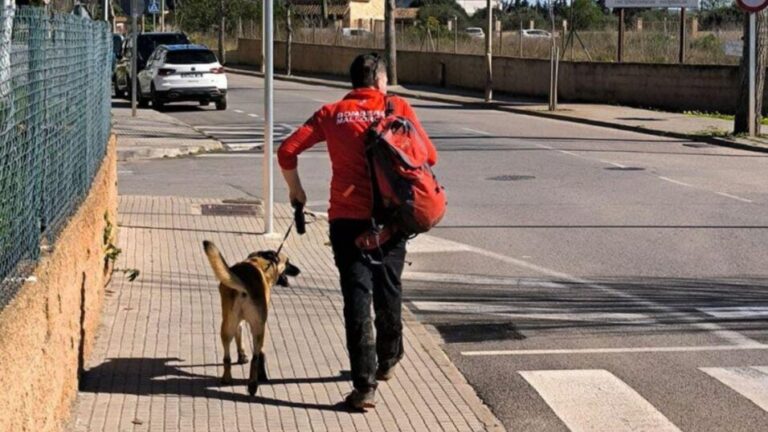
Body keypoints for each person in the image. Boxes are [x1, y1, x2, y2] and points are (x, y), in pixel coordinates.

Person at [277, 53, 437, 410]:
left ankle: (364, 388)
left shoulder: (331, 113)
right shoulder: (397, 107)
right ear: (380, 81)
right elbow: (430, 156)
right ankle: (389, 358)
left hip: (347, 220)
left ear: (351, 82)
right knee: (389, 288)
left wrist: (296, 191)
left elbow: (287, 151)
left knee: (356, 299)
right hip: (392, 219)